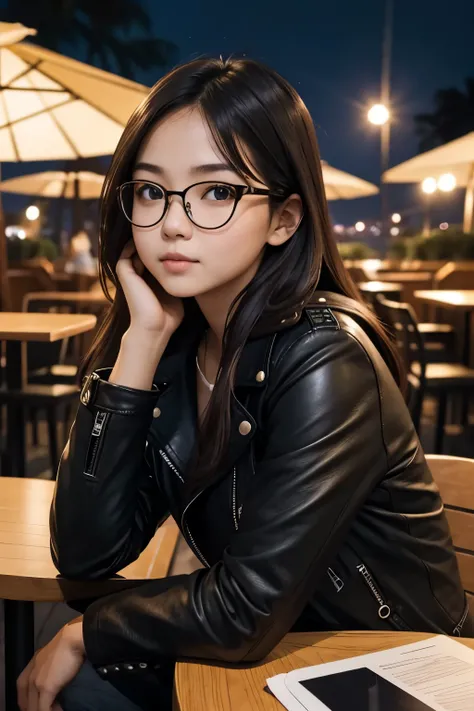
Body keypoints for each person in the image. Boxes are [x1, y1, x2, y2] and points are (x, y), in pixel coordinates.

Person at [18, 57, 472, 711]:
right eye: (150, 191)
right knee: (81, 680)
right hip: (275, 655)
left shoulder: (326, 360)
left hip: (386, 667)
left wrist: (89, 631)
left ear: (285, 219)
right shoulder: (176, 349)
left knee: (81, 669)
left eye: (217, 191)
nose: (172, 222)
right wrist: (140, 341)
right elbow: (87, 554)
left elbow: (248, 605)